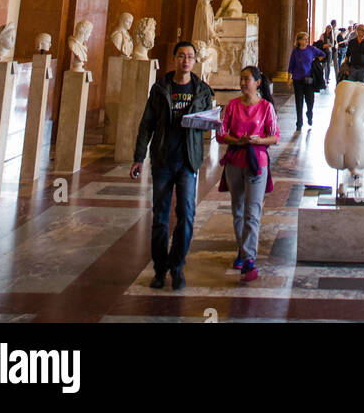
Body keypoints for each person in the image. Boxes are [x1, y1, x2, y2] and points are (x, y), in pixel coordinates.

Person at [131, 40, 214, 291]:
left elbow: (208, 123)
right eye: (181, 56)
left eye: (190, 56)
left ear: (195, 60)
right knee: (160, 217)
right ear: (175, 58)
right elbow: (147, 124)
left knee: (187, 215)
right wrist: (138, 156)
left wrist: (208, 122)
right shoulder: (160, 89)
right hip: (163, 160)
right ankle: (159, 269)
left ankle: (177, 266)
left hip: (188, 161)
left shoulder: (202, 91)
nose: (185, 60)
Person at [217, 65, 279, 283]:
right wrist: (238, 141)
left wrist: (257, 141)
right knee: (238, 210)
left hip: (256, 163)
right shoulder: (233, 105)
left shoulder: (265, 107)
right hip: (235, 161)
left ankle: (249, 259)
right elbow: (221, 133)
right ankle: (242, 250)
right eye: (241, 79)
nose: (243, 83)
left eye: (247, 79)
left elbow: (275, 136)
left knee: (252, 211)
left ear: (257, 82)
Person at [288, 30, 326, 130]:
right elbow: (291, 66)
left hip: (309, 79)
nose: (306, 41)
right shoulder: (295, 52)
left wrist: (316, 61)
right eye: (304, 39)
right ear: (299, 41)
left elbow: (323, 54)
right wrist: (289, 79)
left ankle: (309, 113)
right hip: (297, 79)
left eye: (307, 39)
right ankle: (299, 123)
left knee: (310, 100)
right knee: (298, 101)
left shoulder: (311, 49)